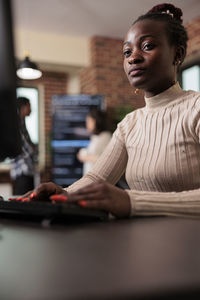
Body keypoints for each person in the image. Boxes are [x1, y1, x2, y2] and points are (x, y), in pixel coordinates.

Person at [24, 3, 200, 218]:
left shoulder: (195, 108)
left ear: (178, 54)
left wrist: (132, 201)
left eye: (147, 46)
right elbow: (97, 177)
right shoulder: (130, 123)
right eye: (127, 51)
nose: (132, 57)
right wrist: (64, 193)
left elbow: (131, 200)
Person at [10, 97, 37, 195]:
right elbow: (23, 148)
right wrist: (33, 149)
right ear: (23, 107)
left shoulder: (22, 124)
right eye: (29, 106)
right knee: (24, 202)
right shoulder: (16, 125)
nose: (31, 109)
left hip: (27, 171)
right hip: (22, 172)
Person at [77, 109, 112, 175]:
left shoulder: (106, 137)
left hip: (98, 178)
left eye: (89, 121)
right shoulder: (95, 137)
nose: (87, 124)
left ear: (96, 121)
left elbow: (106, 160)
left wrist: (85, 157)